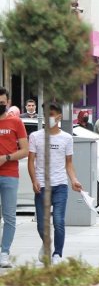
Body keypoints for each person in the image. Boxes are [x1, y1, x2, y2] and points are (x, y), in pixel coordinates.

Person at [27, 102, 83, 265]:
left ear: (59, 117)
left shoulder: (66, 138)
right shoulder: (35, 136)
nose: (47, 118)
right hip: (42, 186)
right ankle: (46, 245)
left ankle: (57, 254)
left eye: (50, 114)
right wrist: (34, 180)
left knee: (58, 221)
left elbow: (69, 163)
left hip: (60, 186)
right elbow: (31, 161)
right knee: (41, 224)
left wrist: (74, 180)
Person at [0, 87, 29, 268]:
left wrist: (6, 158)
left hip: (10, 174)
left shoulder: (16, 122)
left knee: (9, 216)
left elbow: (25, 150)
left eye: (2, 103)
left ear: (8, 103)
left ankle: (4, 253)